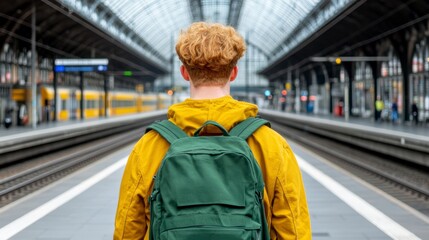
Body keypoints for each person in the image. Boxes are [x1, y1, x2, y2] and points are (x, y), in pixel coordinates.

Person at [114, 22, 311, 240]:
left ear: (184, 73)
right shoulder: (271, 144)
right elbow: (293, 229)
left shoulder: (149, 145)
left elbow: (127, 230)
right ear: (234, 72)